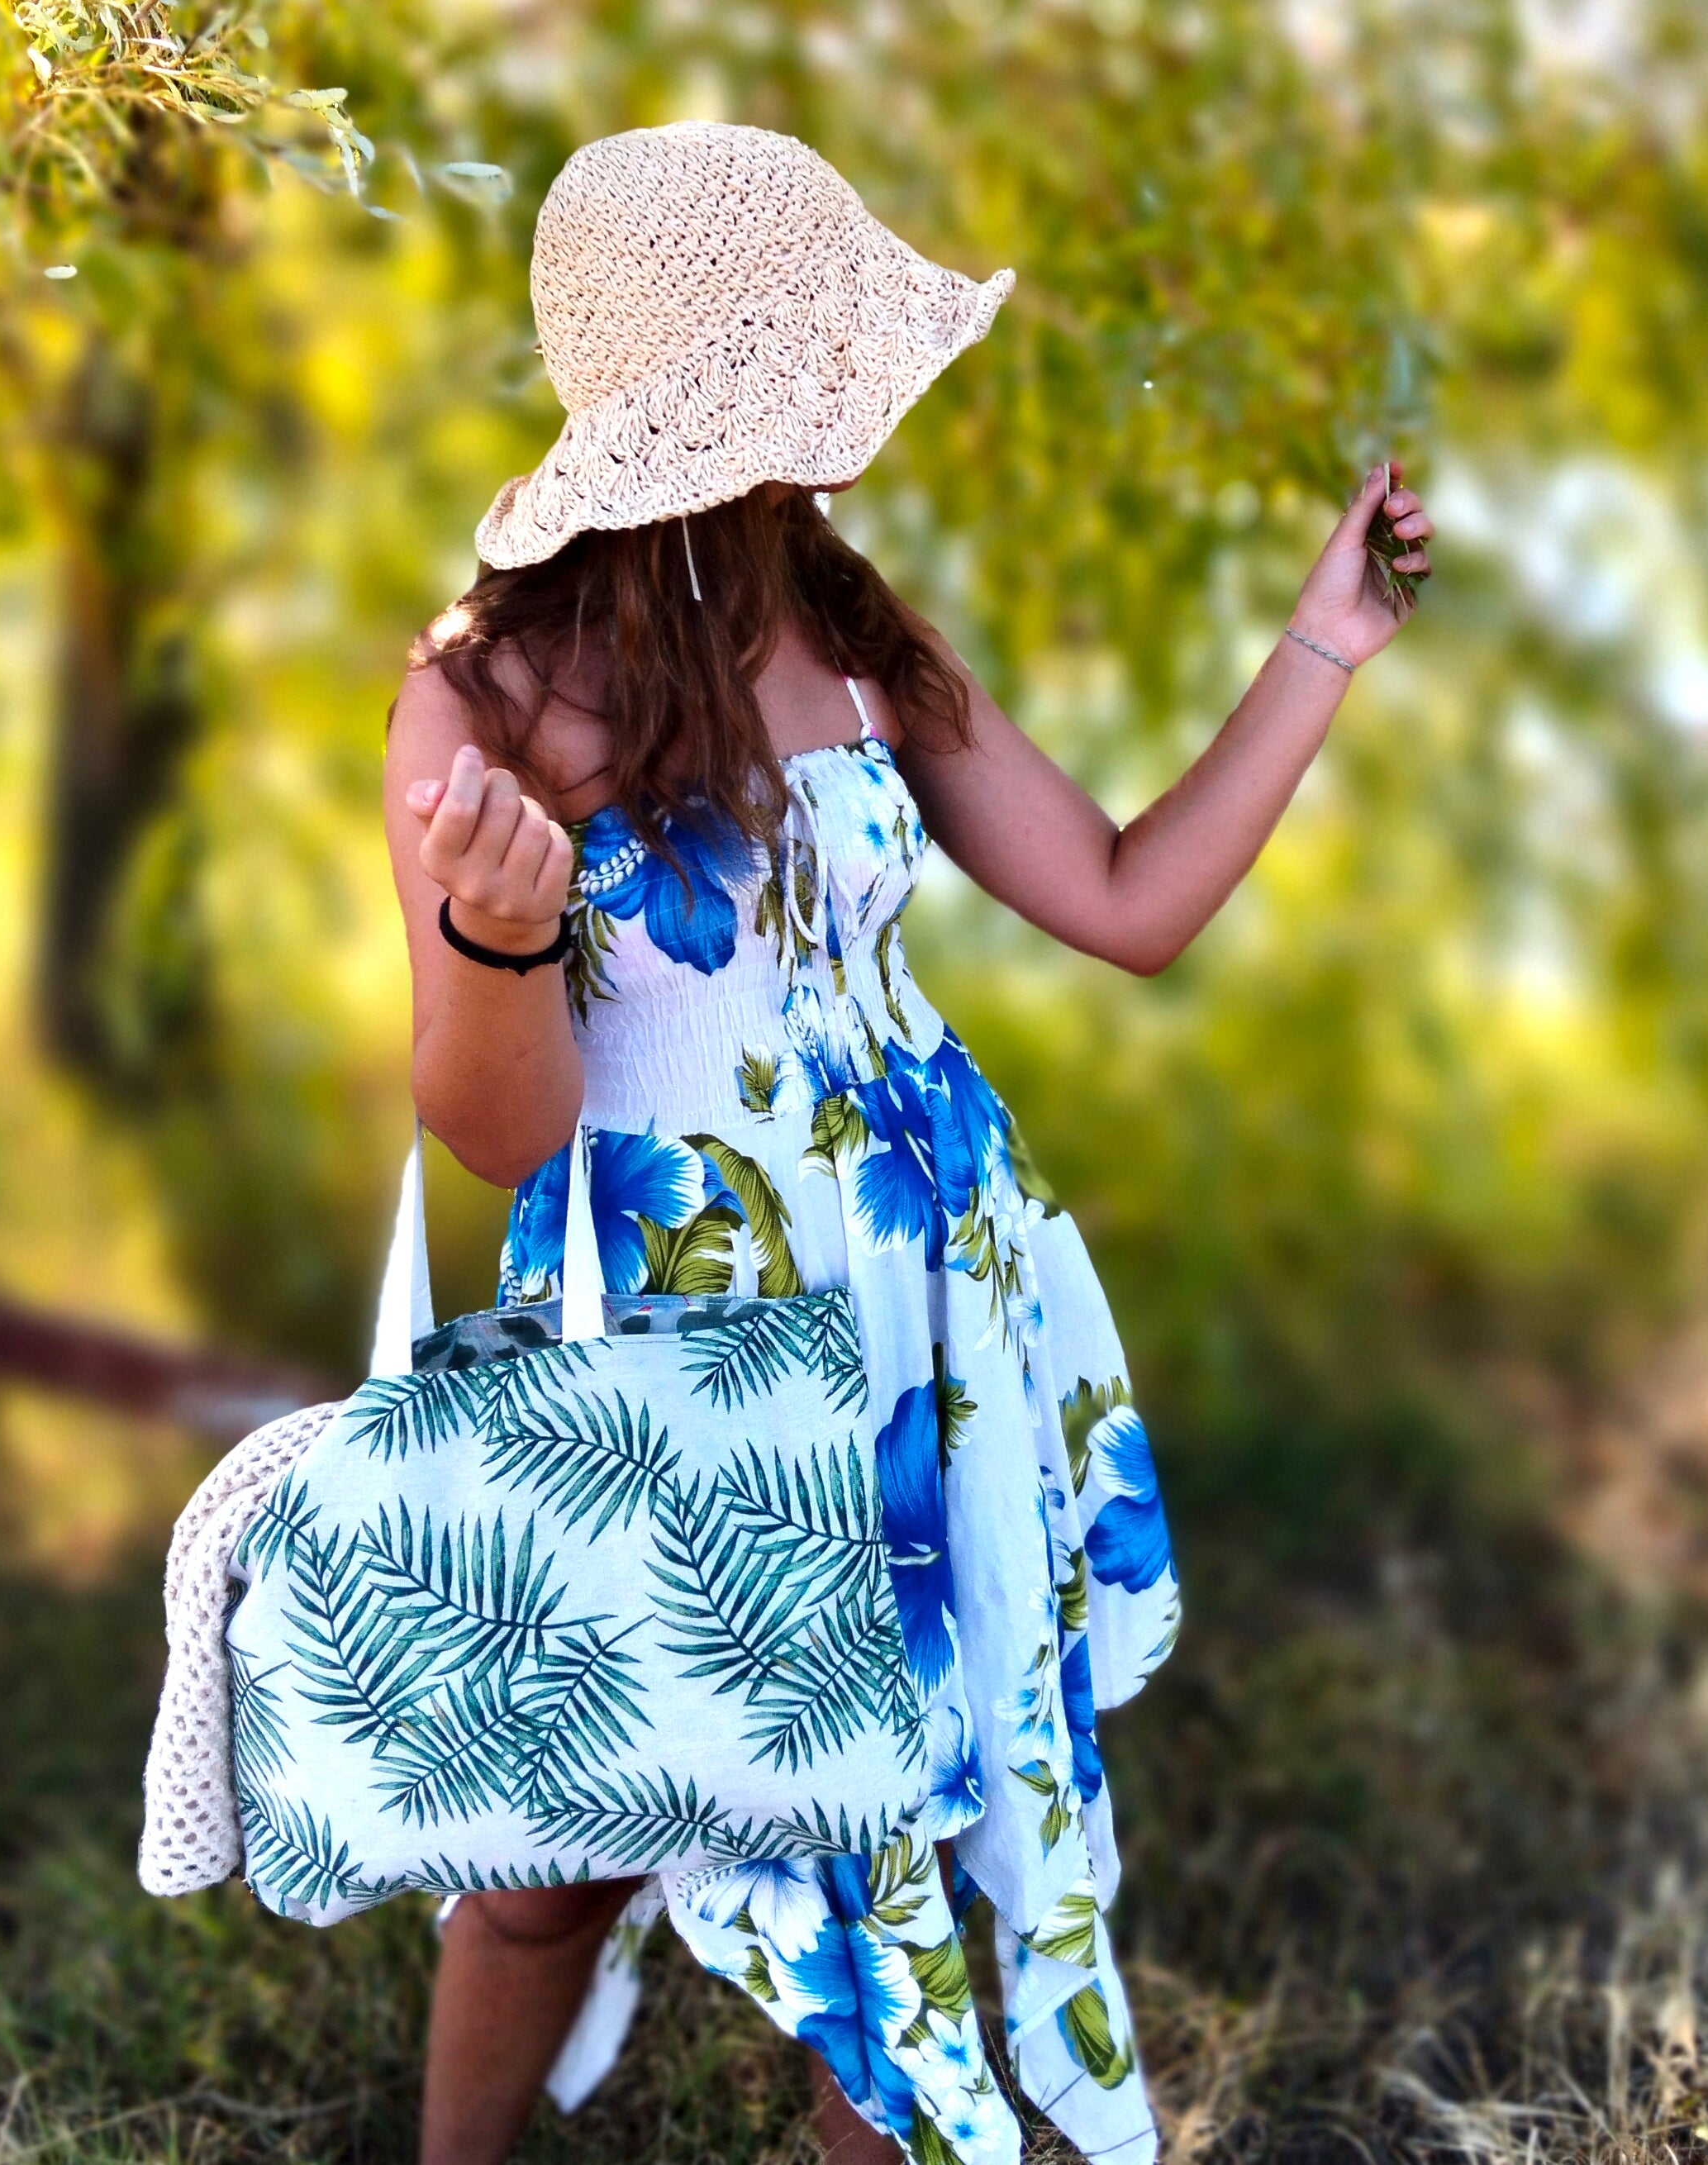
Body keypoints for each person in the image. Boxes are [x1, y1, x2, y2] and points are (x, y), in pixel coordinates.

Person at [383, 122, 1432, 2165]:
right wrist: (496, 934)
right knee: (554, 1843)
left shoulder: (853, 631)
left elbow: (1126, 899)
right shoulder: (484, 691)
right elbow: (495, 1128)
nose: (845, 407)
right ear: (717, 395)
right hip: (666, 1318)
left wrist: (1323, 645)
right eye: (810, 358)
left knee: (896, 1822)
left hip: (919, 1284)